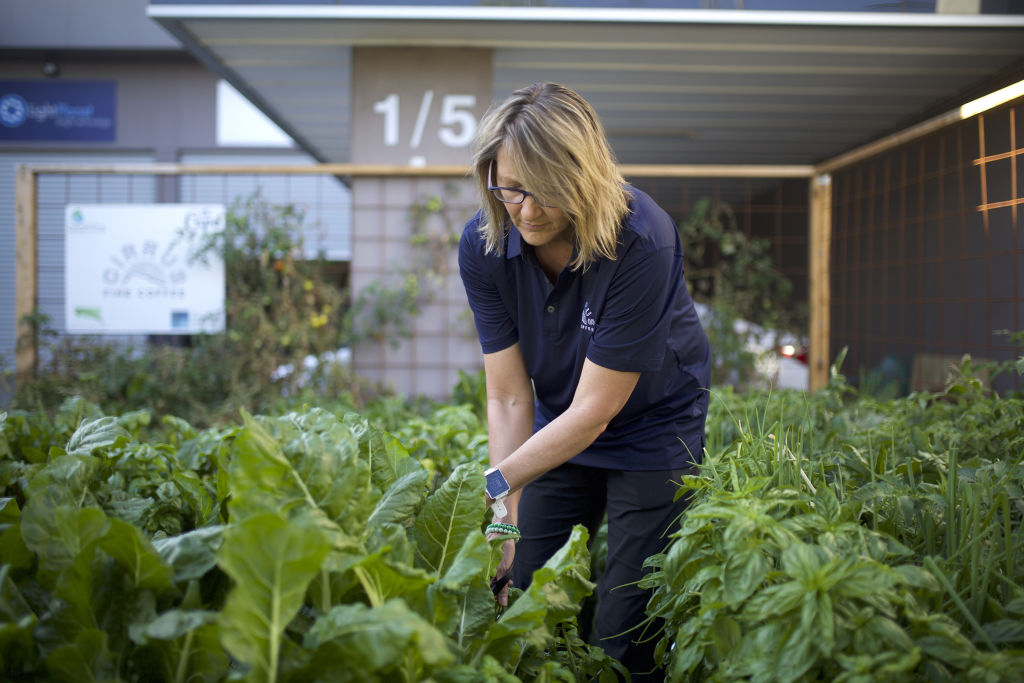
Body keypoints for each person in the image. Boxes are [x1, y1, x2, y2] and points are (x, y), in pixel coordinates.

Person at [458, 82, 710, 681]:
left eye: (544, 192)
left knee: (624, 635)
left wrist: (498, 480)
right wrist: (503, 519)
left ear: (582, 176)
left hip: (653, 429)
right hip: (556, 419)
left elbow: (597, 410)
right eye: (509, 188)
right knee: (523, 600)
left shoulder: (640, 238)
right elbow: (509, 393)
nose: (525, 210)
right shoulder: (484, 243)